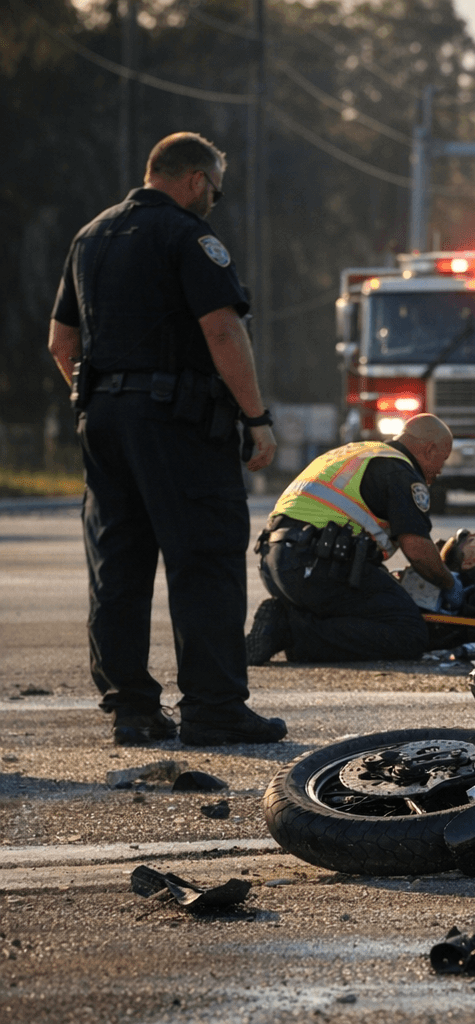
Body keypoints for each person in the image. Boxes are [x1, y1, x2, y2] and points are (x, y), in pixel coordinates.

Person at [47, 131, 285, 747]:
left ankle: (132, 710)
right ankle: (214, 710)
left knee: (118, 564)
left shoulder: (91, 235)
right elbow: (223, 331)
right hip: (177, 423)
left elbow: (61, 343)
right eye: (217, 190)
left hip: (101, 421)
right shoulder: (189, 236)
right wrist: (255, 417)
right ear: (196, 181)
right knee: (204, 559)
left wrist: (103, 396)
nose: (215, 201)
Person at [246, 414, 461, 664]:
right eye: (442, 460)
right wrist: (449, 583)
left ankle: (290, 621)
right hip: (315, 567)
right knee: (408, 632)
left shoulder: (354, 452)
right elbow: (417, 550)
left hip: (275, 564)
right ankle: (291, 631)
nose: (440, 470)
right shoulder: (400, 471)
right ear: (430, 448)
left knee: (373, 605)